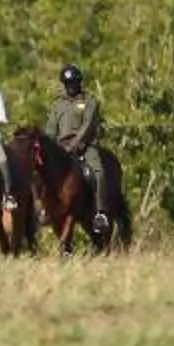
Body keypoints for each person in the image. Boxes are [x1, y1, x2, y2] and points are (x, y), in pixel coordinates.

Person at [46, 63, 111, 238]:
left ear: (79, 82)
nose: (71, 87)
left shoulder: (89, 101)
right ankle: (45, 211)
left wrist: (74, 145)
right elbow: (51, 131)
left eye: (74, 83)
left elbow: (87, 127)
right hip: (61, 149)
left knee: (98, 172)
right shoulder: (57, 106)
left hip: (85, 146)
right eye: (68, 84)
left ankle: (100, 213)